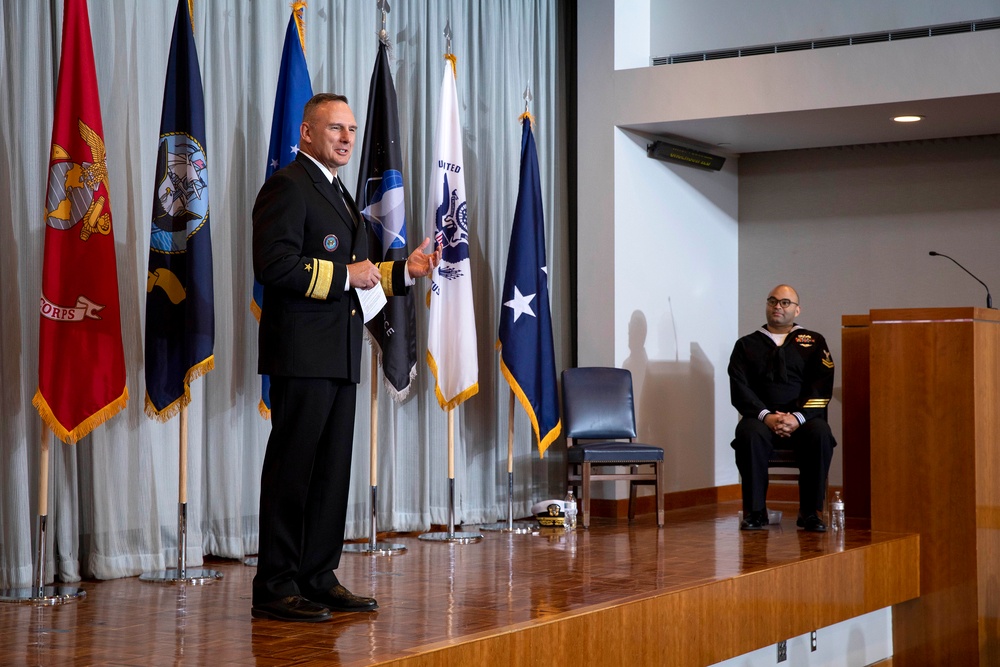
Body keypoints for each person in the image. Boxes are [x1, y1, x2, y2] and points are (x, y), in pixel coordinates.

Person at [250, 93, 440, 622]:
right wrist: (344, 275)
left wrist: (404, 270)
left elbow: (361, 278)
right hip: (302, 354)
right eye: (336, 129)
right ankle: (275, 585)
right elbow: (274, 265)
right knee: (293, 470)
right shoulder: (287, 186)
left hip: (337, 353)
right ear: (308, 133)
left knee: (332, 471)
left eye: (353, 130)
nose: (348, 139)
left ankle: (317, 575)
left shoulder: (336, 191)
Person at [728, 284, 835, 532]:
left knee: (821, 434)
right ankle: (755, 512)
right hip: (760, 417)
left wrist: (798, 417)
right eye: (773, 301)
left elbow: (822, 386)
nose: (778, 306)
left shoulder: (814, 341)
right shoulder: (746, 345)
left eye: (785, 302)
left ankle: (810, 512)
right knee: (748, 434)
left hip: (803, 419)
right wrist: (766, 416)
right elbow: (739, 387)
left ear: (797, 310)